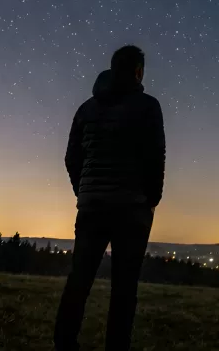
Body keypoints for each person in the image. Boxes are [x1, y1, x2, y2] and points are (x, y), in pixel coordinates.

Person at [54, 45, 165, 351]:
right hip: (132, 209)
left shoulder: (86, 108)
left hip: (92, 208)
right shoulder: (147, 106)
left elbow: (70, 157)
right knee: (124, 288)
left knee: (79, 280)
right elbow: (156, 156)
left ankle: (64, 344)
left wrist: (85, 191)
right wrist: (151, 198)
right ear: (138, 71)